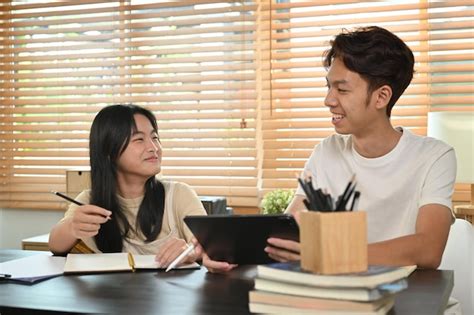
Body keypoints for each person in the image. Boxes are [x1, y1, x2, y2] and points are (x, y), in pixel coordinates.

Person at [199, 26, 456, 273]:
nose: (328, 100)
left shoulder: (434, 157)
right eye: (328, 86)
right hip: (334, 294)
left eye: (342, 89)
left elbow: (428, 249)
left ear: (381, 97)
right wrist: (225, 251)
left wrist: (330, 254)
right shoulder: (327, 152)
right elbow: (286, 234)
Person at [49, 104, 207, 269]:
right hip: (111, 293)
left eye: (155, 138)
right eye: (139, 139)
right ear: (110, 152)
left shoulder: (179, 195)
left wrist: (190, 252)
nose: (154, 148)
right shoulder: (90, 200)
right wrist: (73, 227)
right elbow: (55, 245)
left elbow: (206, 246)